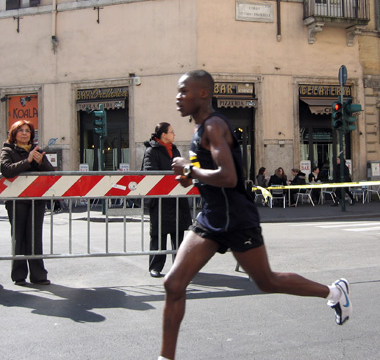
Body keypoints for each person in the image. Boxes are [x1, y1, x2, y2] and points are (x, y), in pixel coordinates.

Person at [160, 70, 351, 360]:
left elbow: (228, 176)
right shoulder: (200, 131)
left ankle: (334, 292)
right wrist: (192, 178)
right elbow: (207, 174)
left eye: (184, 91)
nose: (178, 97)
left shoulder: (214, 126)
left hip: (237, 218)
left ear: (202, 93)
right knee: (173, 284)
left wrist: (188, 170)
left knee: (266, 281)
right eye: (178, 91)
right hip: (211, 218)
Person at [0, 120, 54, 286]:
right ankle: (19, 275)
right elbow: (6, 169)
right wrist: (27, 161)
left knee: (35, 237)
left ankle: (38, 275)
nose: (24, 133)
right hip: (16, 201)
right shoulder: (7, 150)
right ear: (14, 134)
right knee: (19, 237)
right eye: (21, 130)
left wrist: (40, 162)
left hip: (36, 200)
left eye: (28, 131)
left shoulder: (37, 150)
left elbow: (51, 172)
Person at [142, 122, 192, 278]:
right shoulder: (151, 151)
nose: (174, 134)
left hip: (177, 198)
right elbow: (151, 174)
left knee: (178, 234)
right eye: (172, 132)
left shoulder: (175, 149)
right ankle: (155, 266)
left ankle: (179, 266)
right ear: (163, 135)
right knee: (159, 234)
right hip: (161, 201)